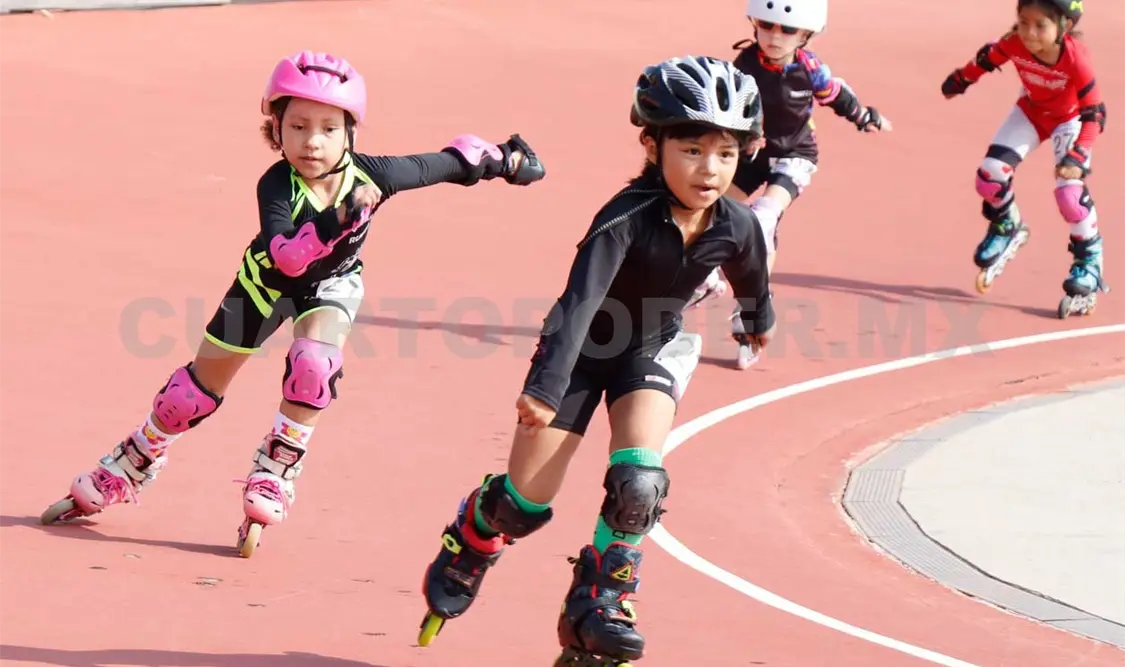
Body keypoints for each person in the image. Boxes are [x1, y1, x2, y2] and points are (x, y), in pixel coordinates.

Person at [39, 50, 546, 559]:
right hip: (263, 286)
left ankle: (276, 470)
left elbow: (450, 161)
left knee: (314, 366)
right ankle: (133, 460)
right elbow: (286, 254)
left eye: (328, 128)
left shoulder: (374, 175)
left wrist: (506, 159)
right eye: (298, 126)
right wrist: (336, 222)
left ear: (351, 132)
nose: (312, 141)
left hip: (331, 288)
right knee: (188, 397)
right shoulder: (277, 183)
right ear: (276, 129)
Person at [415, 55, 776, 666]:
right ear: (652, 143)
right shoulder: (624, 218)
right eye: (691, 150)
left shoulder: (736, 223)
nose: (709, 169)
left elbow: (751, 269)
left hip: (650, 349)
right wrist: (546, 387)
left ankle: (602, 600)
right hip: (580, 356)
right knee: (522, 508)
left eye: (725, 154)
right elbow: (577, 304)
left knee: (640, 482)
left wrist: (758, 318)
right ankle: (473, 536)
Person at [688, 0, 891, 368]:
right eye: (766, 25)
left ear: (807, 35)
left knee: (763, 218)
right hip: (753, 155)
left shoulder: (810, 69)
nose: (774, 36)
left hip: (796, 154)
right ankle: (705, 278)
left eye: (787, 30)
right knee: (711, 213)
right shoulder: (745, 64)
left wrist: (864, 117)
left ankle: (751, 308)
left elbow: (836, 95)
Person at [941, 0, 1108, 318]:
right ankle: (1007, 225)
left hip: (1070, 119)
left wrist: (1079, 153)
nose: (1029, 33)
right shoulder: (1013, 42)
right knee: (990, 174)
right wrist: (962, 80)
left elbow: (1094, 113)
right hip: (1032, 111)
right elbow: (987, 57)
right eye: (1023, 21)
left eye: (1041, 25)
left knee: (1069, 192)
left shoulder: (1076, 58)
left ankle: (1088, 263)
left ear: (1065, 27)